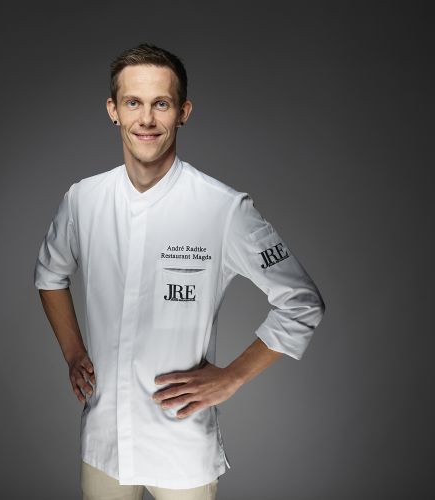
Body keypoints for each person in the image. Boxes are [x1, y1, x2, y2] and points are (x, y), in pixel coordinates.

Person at [34, 43, 326, 500]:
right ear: (113, 110)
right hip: (104, 443)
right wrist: (74, 354)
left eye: (161, 104)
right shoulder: (83, 200)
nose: (146, 119)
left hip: (181, 447)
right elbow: (50, 274)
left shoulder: (223, 209)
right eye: (133, 102)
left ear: (183, 112)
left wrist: (232, 377)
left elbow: (302, 303)